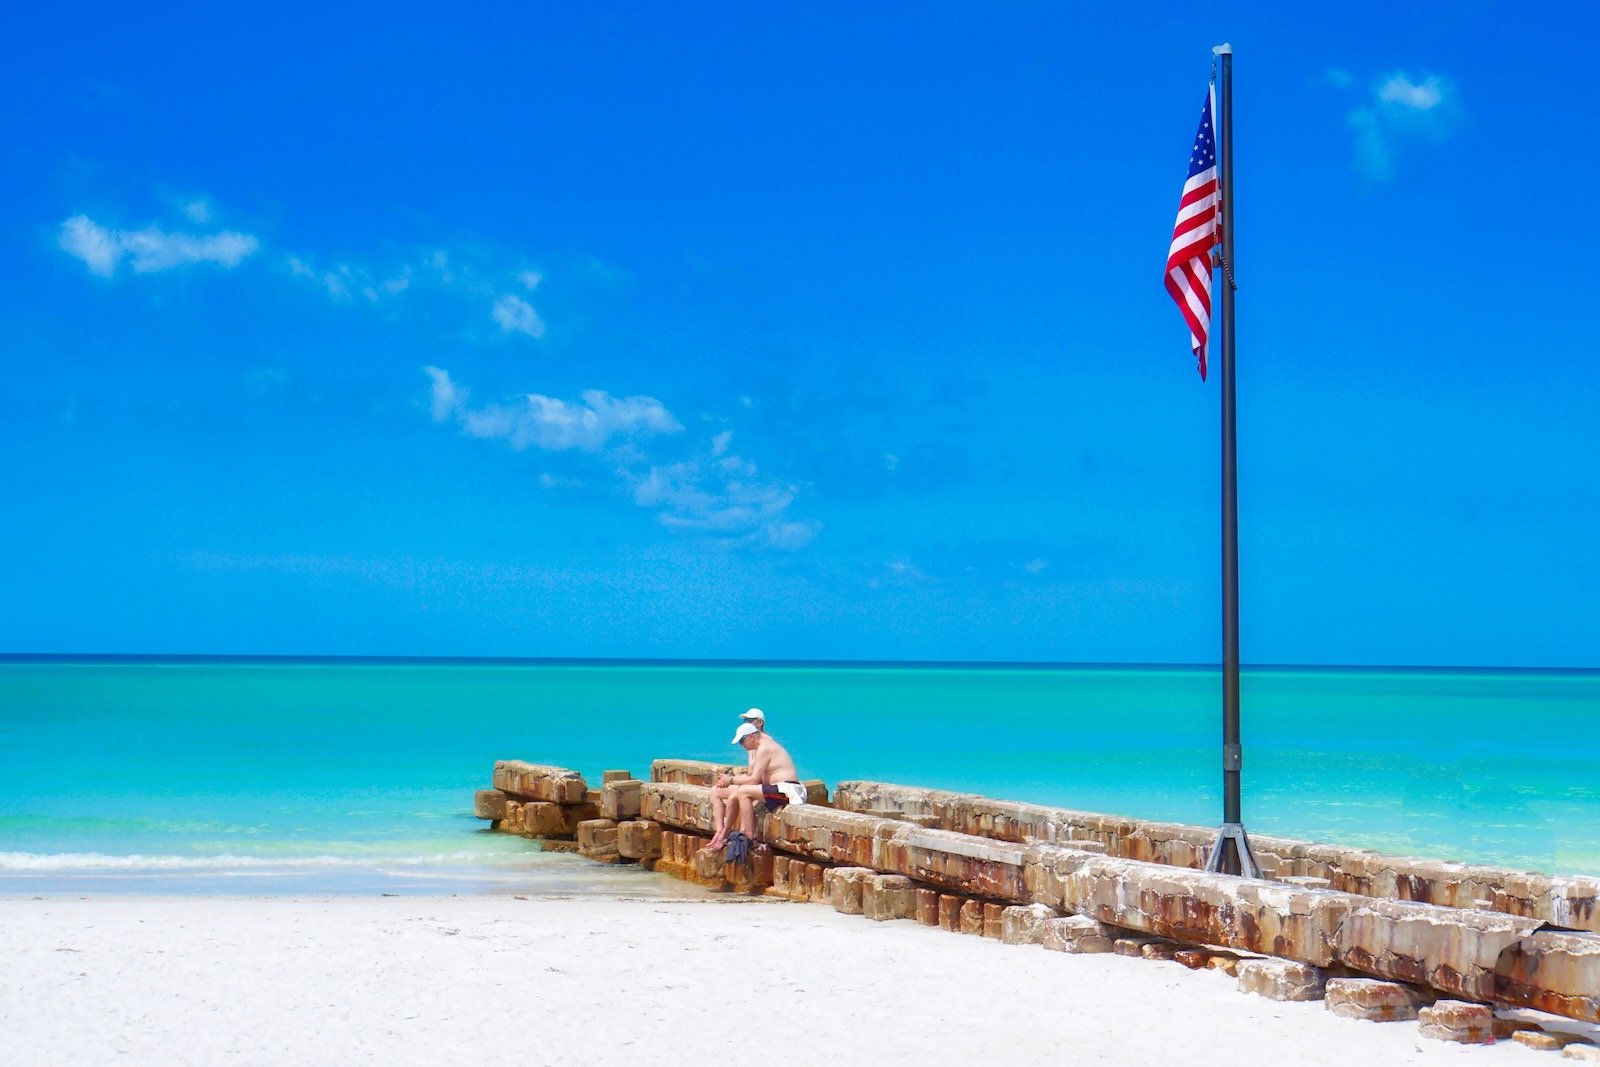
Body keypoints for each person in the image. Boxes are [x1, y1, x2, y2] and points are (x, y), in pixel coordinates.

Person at [704, 722, 805, 851]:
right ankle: (723, 833)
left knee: (743, 791)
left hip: (787, 790)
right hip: (776, 788)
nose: (741, 745)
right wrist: (730, 781)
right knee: (731, 793)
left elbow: (754, 779)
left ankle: (748, 835)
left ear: (751, 737)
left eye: (742, 741)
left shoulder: (764, 748)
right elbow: (755, 777)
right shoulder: (760, 748)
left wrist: (731, 780)